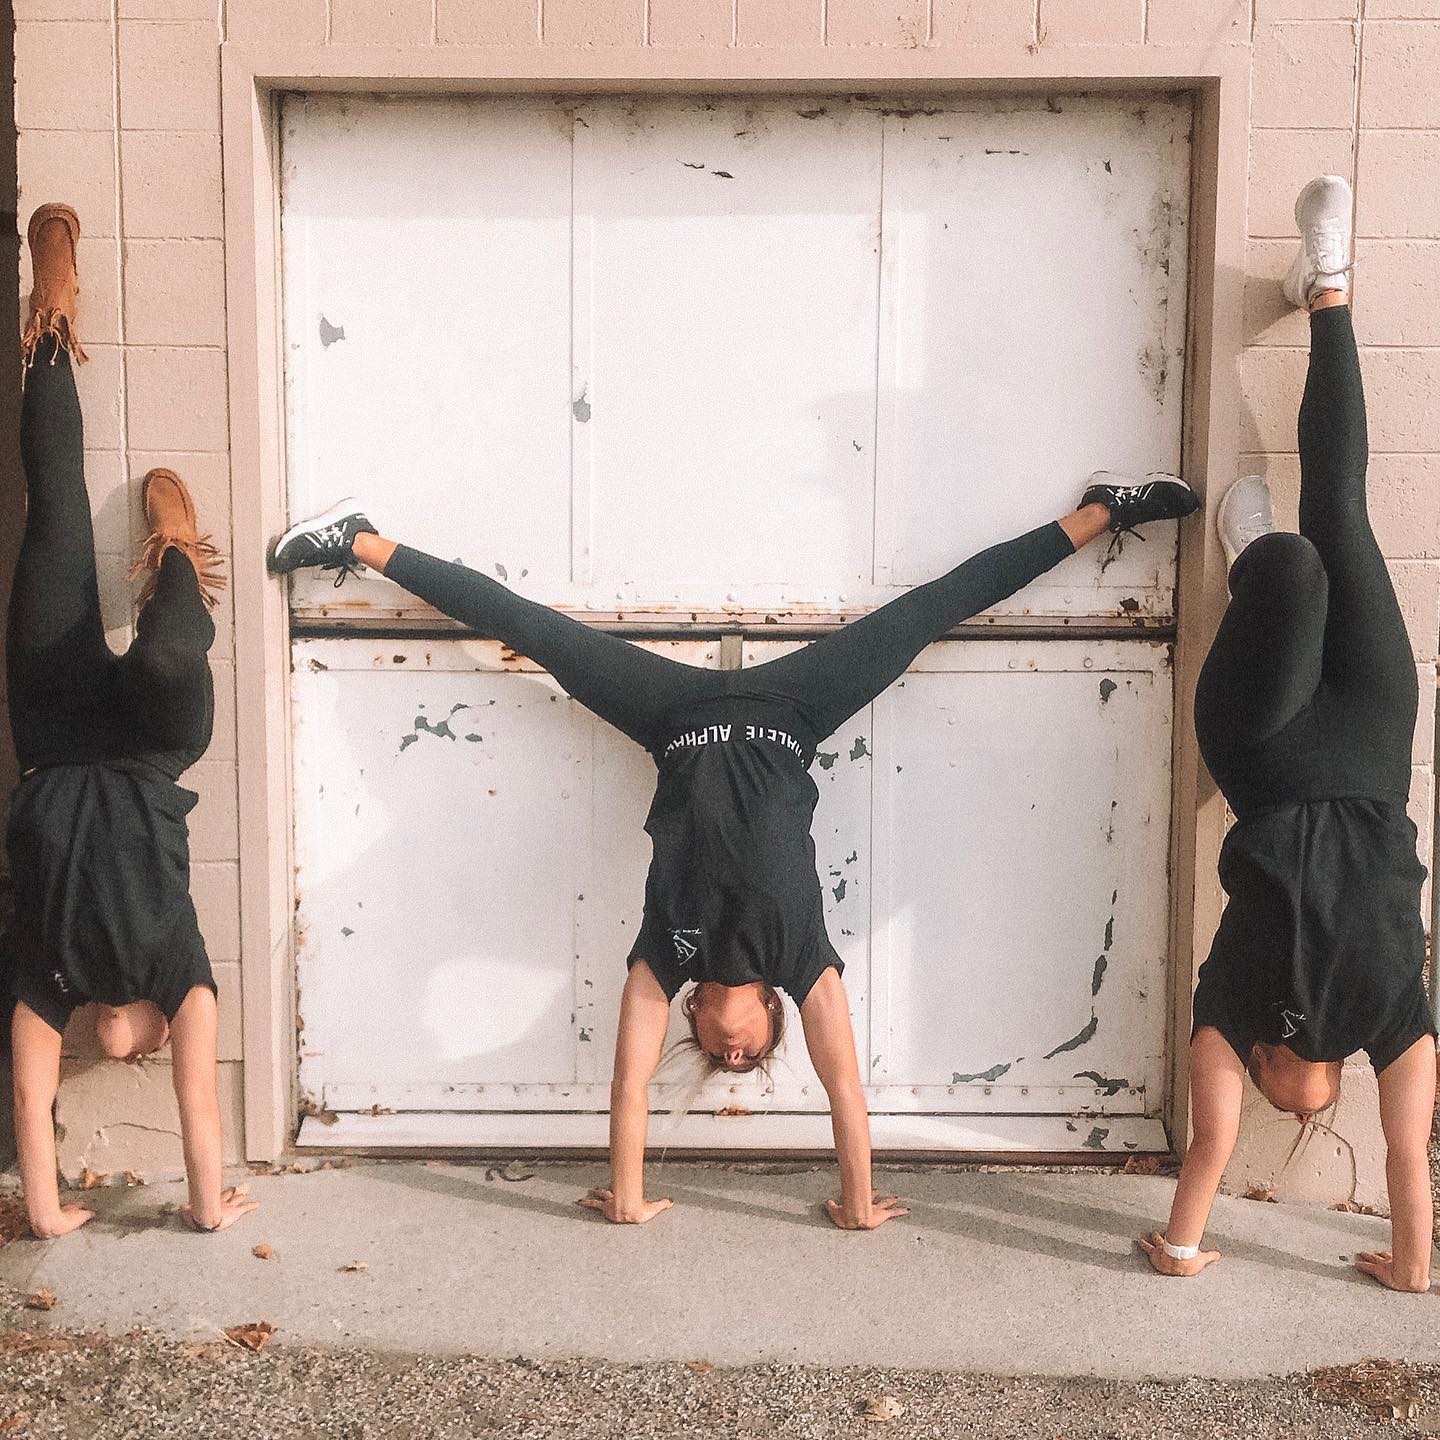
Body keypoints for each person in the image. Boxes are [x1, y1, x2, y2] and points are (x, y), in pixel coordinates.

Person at [273, 465, 1196, 1227]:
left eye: (724, 1062)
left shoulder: (664, 959)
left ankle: (359, 539)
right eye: (751, 1059)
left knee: (529, 629)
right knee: (932, 610)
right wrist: (857, 1203)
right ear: (770, 1018)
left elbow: (630, 1086)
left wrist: (627, 1199)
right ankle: (1105, 511)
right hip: (793, 711)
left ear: (701, 1025)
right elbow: (845, 1090)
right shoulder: (803, 962)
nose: (736, 1055)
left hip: (674, 718)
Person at [1138, 177, 1437, 1293]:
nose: (1284, 1078)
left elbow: (1392, 1154)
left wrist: (1412, 1266)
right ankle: (1328, 288)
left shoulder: (1353, 1017)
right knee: (1333, 526)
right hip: (1354, 745)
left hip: (1281, 759)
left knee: (1310, 556)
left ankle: (1260, 564)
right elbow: (1226, 1147)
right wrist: (1178, 1250)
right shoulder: (1321, 1012)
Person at [4, 204, 256, 1238]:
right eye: (150, 1052)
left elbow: (32, 1103)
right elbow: (196, 1108)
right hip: (137, 751)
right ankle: (177, 551)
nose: (132, 1051)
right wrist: (204, 1206)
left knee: (56, 516)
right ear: (155, 1033)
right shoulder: (170, 980)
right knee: (160, 650)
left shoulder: (57, 981)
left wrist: (50, 1211)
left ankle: (51, 313)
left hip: (62, 732)